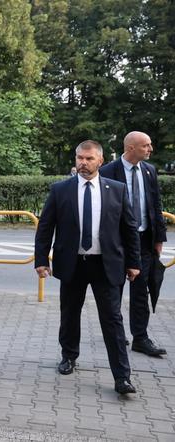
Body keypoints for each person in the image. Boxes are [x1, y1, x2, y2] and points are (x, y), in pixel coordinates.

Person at [34, 140, 140, 395]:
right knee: (70, 313)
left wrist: (134, 262)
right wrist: (40, 260)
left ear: (100, 161)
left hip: (106, 265)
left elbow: (129, 228)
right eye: (80, 158)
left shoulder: (116, 189)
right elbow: (46, 226)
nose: (83, 162)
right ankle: (68, 356)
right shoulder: (61, 190)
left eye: (89, 158)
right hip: (73, 264)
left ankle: (122, 377)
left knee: (112, 320)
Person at [99, 131, 168, 357]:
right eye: (146, 146)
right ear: (130, 148)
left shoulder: (149, 171)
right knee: (114, 289)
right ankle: (115, 334)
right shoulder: (107, 171)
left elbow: (155, 204)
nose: (150, 149)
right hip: (117, 242)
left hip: (144, 240)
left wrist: (159, 238)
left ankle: (141, 337)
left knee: (141, 291)